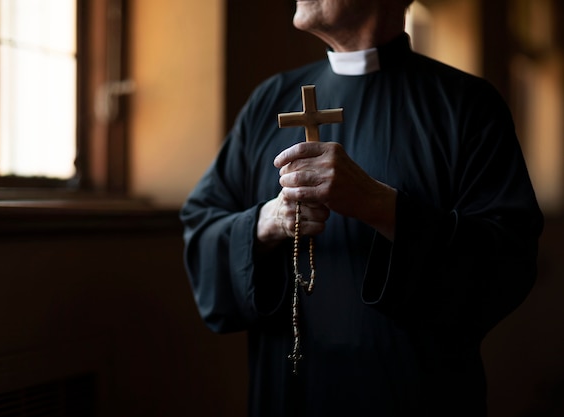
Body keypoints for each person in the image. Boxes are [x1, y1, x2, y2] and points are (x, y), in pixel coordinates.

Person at [180, 0, 544, 415]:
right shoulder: (269, 101)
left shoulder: (467, 105)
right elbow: (202, 228)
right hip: (289, 393)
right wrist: (268, 221)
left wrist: (377, 204)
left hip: (413, 394)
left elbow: (506, 260)